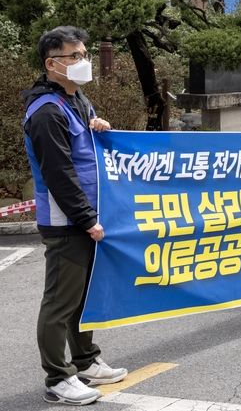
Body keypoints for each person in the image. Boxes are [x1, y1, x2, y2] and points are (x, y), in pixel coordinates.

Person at [23, 26, 127, 406]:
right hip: (66, 222)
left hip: (86, 216)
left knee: (83, 296)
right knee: (60, 301)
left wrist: (97, 126)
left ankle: (85, 360)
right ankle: (57, 378)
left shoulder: (75, 99)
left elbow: (85, 151)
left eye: (84, 54)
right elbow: (59, 174)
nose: (84, 62)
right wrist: (87, 219)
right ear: (52, 64)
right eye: (75, 57)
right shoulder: (46, 112)